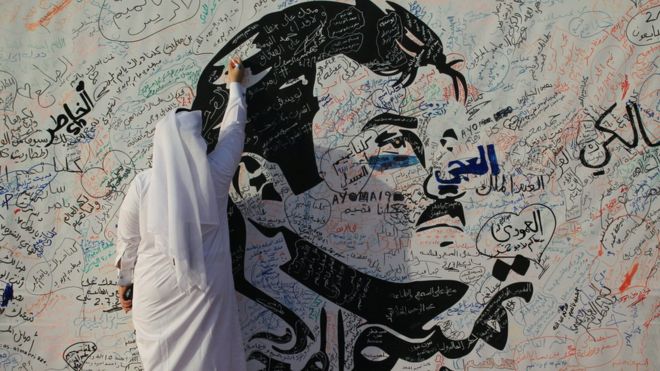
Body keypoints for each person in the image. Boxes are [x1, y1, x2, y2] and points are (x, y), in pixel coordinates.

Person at [115, 58, 248, 371]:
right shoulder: (214, 176)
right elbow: (233, 131)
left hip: (154, 293)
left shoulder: (143, 184)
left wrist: (124, 280)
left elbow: (128, 238)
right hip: (204, 288)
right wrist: (236, 86)